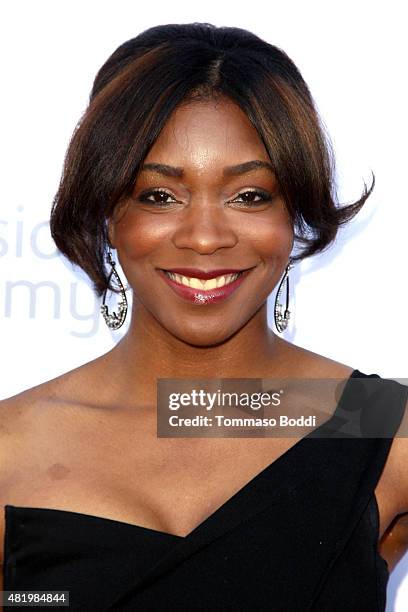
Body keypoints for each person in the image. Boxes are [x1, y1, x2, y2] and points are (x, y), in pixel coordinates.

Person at [0, 22, 407, 611]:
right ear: (109, 213)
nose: (206, 237)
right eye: (158, 196)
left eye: (250, 195)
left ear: (293, 214)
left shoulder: (382, 427)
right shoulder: (11, 446)